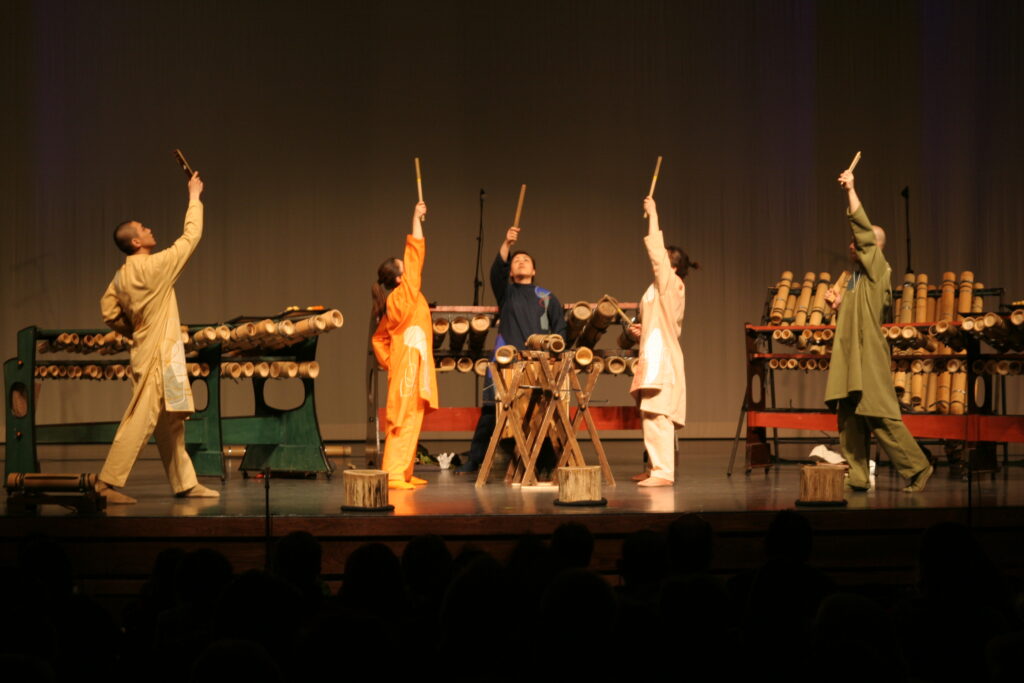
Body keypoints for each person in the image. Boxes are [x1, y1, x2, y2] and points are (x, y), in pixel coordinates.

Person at [97, 172, 219, 503]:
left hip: (152, 349)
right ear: (136, 242)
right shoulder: (155, 268)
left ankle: (185, 482)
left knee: (170, 422)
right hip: (157, 356)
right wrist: (194, 197)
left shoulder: (122, 276)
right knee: (142, 418)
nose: (150, 230)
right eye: (144, 229)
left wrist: (135, 328)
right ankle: (106, 483)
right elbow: (190, 237)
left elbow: (108, 311)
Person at [824, 168, 933, 492]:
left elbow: (862, 230)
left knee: (881, 416)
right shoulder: (858, 278)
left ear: (874, 247)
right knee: (849, 417)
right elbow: (861, 313)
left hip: (867, 354)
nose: (853, 245)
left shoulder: (878, 269)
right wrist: (839, 306)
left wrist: (851, 190)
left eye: (861, 243)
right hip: (850, 355)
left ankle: (918, 468)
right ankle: (857, 475)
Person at [456, 224, 566, 475]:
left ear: (534, 269)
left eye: (525, 260)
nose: (520, 263)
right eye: (516, 260)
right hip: (505, 360)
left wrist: (552, 355)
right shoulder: (506, 292)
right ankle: (475, 460)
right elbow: (497, 271)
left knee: (542, 411)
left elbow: (560, 331)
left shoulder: (547, 297)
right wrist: (507, 244)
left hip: (538, 363)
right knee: (490, 411)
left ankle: (545, 462)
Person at [371, 201, 438, 490]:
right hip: (409, 364)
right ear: (400, 277)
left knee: (413, 415)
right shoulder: (403, 295)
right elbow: (415, 253)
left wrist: (391, 360)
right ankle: (395, 474)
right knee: (403, 418)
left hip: (409, 360)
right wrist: (416, 219)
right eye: (404, 269)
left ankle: (405, 471)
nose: (409, 270)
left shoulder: (397, 300)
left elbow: (380, 338)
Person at [627, 196, 693, 487]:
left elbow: (656, 251)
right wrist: (642, 330)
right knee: (651, 413)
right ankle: (657, 467)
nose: (659, 264)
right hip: (654, 352)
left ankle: (664, 472)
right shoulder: (657, 289)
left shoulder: (671, 283)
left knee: (657, 413)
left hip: (663, 357)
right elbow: (661, 322)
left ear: (672, 266)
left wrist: (653, 213)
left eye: (665, 261)